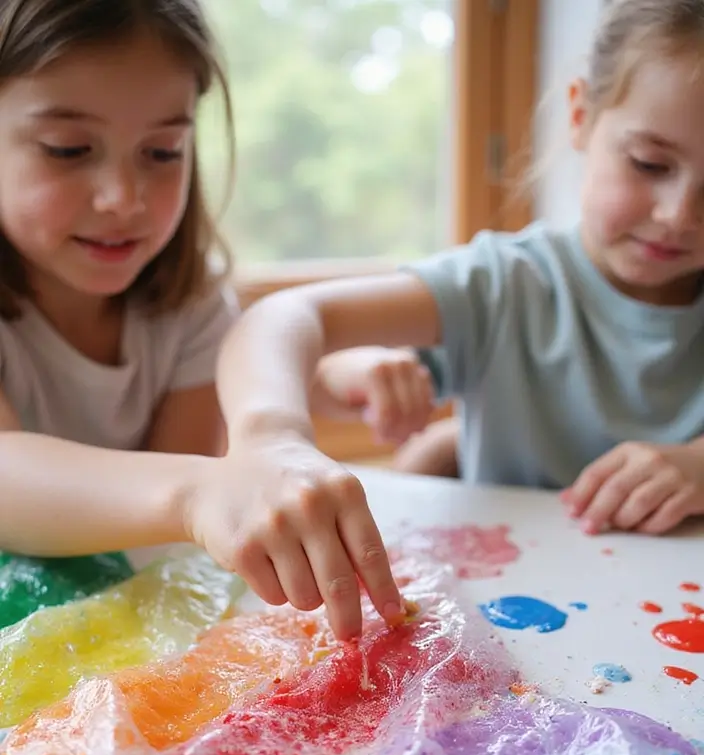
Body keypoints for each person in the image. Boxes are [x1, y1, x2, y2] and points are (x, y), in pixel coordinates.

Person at [216, 0, 704, 641]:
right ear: (581, 115)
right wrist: (269, 435)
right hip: (514, 633)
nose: (678, 212)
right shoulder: (503, 285)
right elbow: (283, 316)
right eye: (649, 163)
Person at [0, 0, 239, 560]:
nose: (122, 198)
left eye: (162, 152)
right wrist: (197, 494)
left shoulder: (196, 308)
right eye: (69, 149)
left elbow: (161, 554)